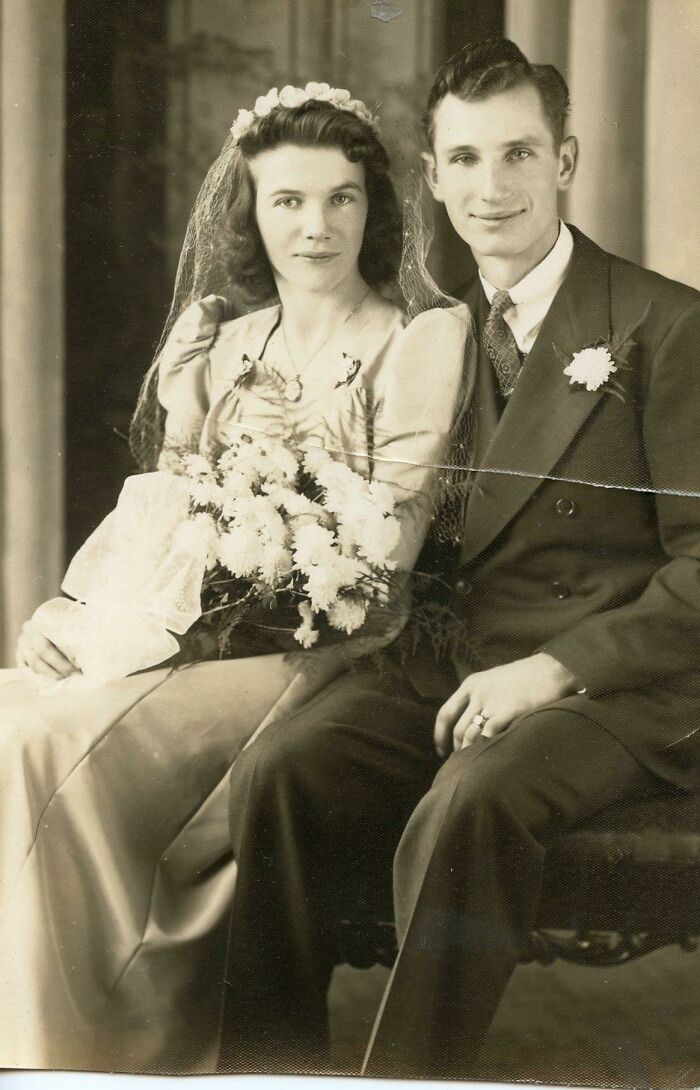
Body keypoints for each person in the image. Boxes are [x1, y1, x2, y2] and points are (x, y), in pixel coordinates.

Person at [218, 39, 700, 1079]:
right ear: (434, 178)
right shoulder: (434, 330)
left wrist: (555, 668)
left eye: (520, 155)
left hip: (612, 686)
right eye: (468, 161)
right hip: (454, 661)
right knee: (278, 774)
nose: (494, 189)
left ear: (565, 162)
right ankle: (269, 1070)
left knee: (470, 801)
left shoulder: (663, 325)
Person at [0, 82, 472, 1072]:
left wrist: (284, 513)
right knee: (14, 715)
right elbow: (162, 511)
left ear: (373, 206)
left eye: (340, 198)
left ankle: (111, 1040)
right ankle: (43, 1039)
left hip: (331, 643)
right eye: (287, 202)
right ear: (250, 213)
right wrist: (75, 612)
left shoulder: (419, 339)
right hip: (189, 625)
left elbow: (388, 542)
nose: (316, 227)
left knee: (46, 736)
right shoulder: (218, 340)